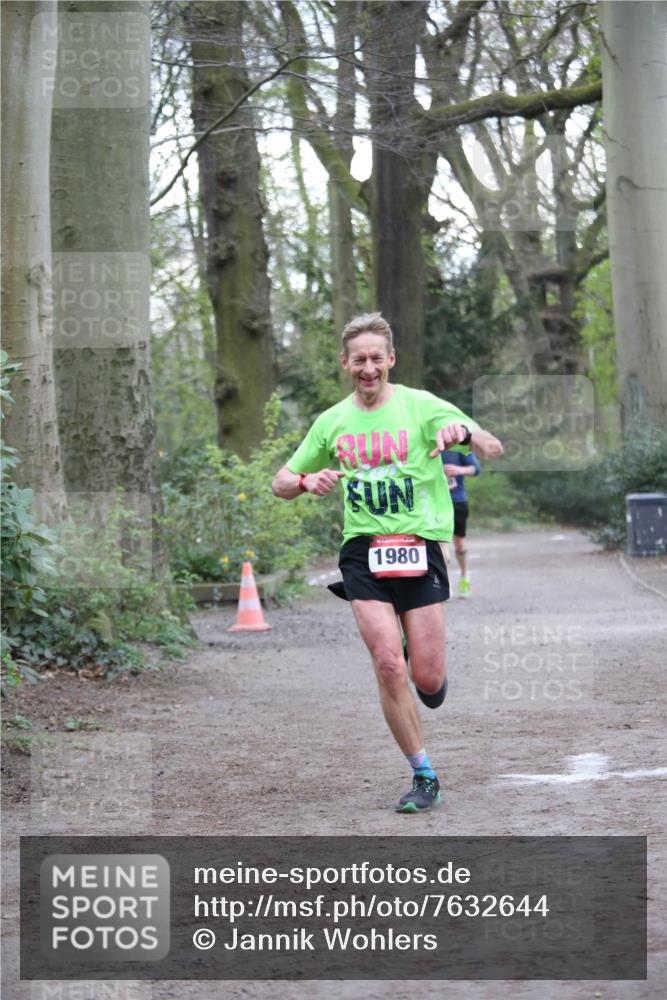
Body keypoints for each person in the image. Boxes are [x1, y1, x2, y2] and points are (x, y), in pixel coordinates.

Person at [272, 313, 503, 813]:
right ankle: (424, 775)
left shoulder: (419, 406)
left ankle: (425, 673)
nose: (369, 368)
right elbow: (281, 481)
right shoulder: (331, 422)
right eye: (360, 359)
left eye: (378, 358)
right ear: (345, 364)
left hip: (419, 544)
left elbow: (464, 429)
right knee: (387, 664)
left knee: (428, 679)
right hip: (364, 550)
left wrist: (469, 437)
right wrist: (307, 482)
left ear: (391, 360)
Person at [441, 448, 481, 598]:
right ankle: (446, 584)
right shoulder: (428, 444)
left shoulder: (459, 447)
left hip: (457, 500)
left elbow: (475, 468)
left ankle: (464, 576)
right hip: (435, 502)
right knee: (439, 543)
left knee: (459, 542)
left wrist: (459, 469)